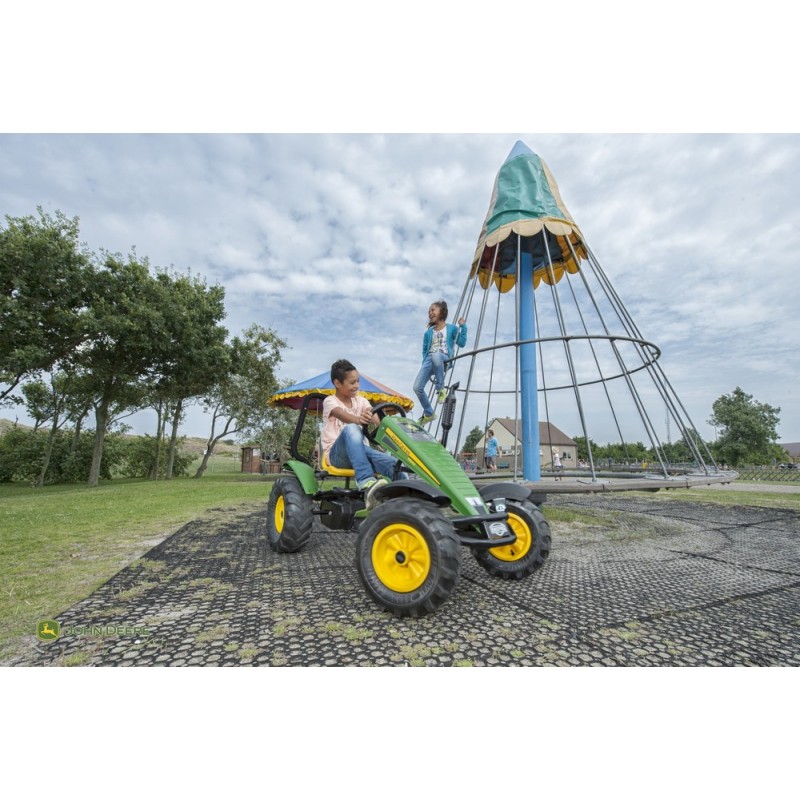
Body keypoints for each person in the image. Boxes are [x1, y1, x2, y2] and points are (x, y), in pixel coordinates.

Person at [322, 359, 400, 508]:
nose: (357, 386)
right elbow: (341, 414)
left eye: (358, 381)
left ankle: (407, 498)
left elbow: (374, 416)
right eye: (352, 383)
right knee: (352, 428)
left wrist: (385, 426)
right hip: (337, 455)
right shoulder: (330, 401)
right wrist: (358, 420)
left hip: (361, 454)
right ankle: (365, 482)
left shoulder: (361, 401)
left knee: (393, 464)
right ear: (337, 383)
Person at [413, 300, 467, 424]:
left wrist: (463, 326)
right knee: (417, 387)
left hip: (443, 358)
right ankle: (429, 413)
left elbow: (462, 343)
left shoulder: (452, 328)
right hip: (429, 360)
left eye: (433, 310)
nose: (430, 313)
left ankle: (440, 389)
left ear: (441, 311)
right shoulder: (428, 333)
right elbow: (425, 349)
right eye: (429, 312)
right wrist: (424, 363)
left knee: (436, 355)